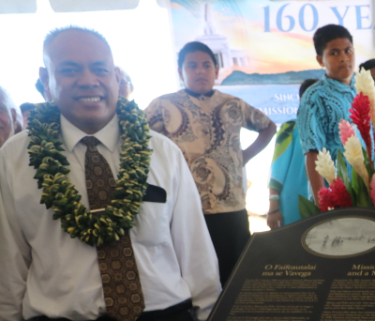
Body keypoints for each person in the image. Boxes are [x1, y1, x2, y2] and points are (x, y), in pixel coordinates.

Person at [0, 27, 220, 321]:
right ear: (45, 80)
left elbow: (196, 250)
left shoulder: (162, 151)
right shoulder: (15, 158)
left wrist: (209, 313)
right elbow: (9, 263)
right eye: (70, 69)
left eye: (100, 69)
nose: (89, 81)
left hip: (164, 314)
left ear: (116, 77)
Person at [144, 41, 277, 287]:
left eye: (206, 65)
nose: (200, 71)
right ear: (180, 71)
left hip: (231, 205)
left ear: (216, 71)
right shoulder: (162, 105)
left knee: (235, 273)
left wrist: (244, 156)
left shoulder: (233, 104)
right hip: (185, 206)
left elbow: (268, 126)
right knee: (192, 274)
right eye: (192, 66)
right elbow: (138, 138)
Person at [299, 24, 356, 206]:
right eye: (334, 53)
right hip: (335, 195)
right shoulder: (314, 97)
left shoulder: (362, 89)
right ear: (320, 60)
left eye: (348, 51)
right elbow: (312, 151)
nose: (344, 58)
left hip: (370, 192)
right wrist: (322, 205)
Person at [266, 79, 318, 229]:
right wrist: (273, 207)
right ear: (302, 100)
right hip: (292, 203)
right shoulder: (289, 128)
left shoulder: (333, 131)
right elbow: (277, 171)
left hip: (324, 202)